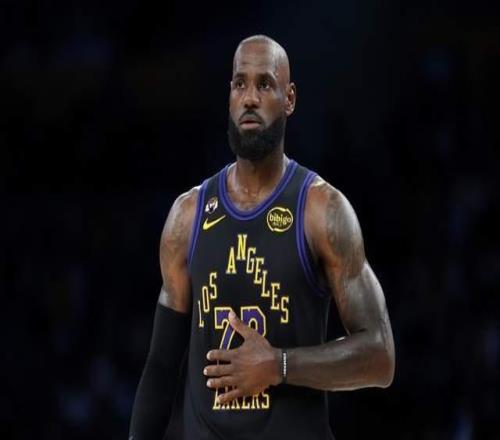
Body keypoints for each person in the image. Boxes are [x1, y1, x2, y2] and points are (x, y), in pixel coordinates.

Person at [129, 34, 395, 440]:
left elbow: (380, 356)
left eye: (265, 84)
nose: (250, 98)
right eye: (240, 84)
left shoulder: (321, 210)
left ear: (289, 99)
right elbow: (161, 367)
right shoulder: (188, 215)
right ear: (229, 97)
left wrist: (279, 365)